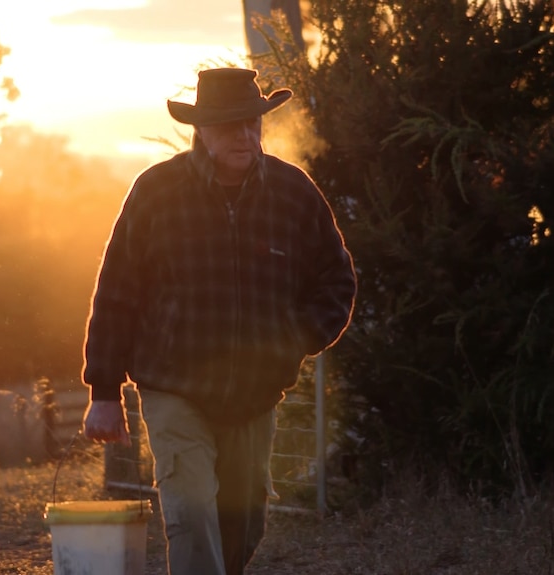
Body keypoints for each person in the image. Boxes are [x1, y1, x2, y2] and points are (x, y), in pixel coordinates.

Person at [81, 67, 356, 575]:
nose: (245, 135)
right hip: (172, 386)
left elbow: (337, 280)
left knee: (244, 520)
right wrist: (103, 390)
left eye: (252, 123)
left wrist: (292, 341)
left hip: (254, 393)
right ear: (201, 131)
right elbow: (117, 291)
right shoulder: (156, 193)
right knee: (190, 510)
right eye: (231, 125)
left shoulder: (294, 194)